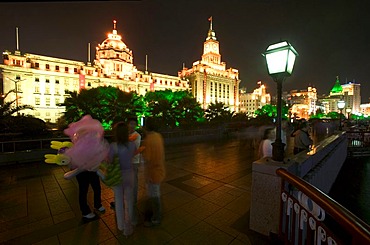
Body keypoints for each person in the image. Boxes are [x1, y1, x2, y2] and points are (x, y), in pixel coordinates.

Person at [108, 122, 137, 236]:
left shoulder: (113, 146)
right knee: (129, 199)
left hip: (117, 175)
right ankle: (130, 222)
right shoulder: (132, 144)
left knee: (119, 200)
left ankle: (121, 225)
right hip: (129, 174)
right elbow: (133, 155)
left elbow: (109, 161)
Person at [141, 117, 166, 227]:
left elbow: (147, 159)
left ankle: (156, 218)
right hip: (160, 170)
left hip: (153, 173)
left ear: (146, 127)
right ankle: (154, 214)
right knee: (155, 193)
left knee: (154, 195)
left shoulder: (148, 140)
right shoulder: (158, 136)